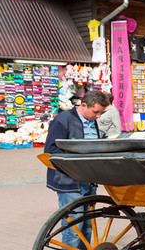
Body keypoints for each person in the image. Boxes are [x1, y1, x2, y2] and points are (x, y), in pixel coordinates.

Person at [44, 91, 110, 250]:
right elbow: (50, 150)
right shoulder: (63, 120)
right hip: (70, 182)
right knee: (73, 229)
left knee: (87, 226)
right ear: (83, 105)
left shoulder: (91, 120)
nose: (99, 116)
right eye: (96, 112)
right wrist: (76, 159)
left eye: (101, 112)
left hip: (88, 180)